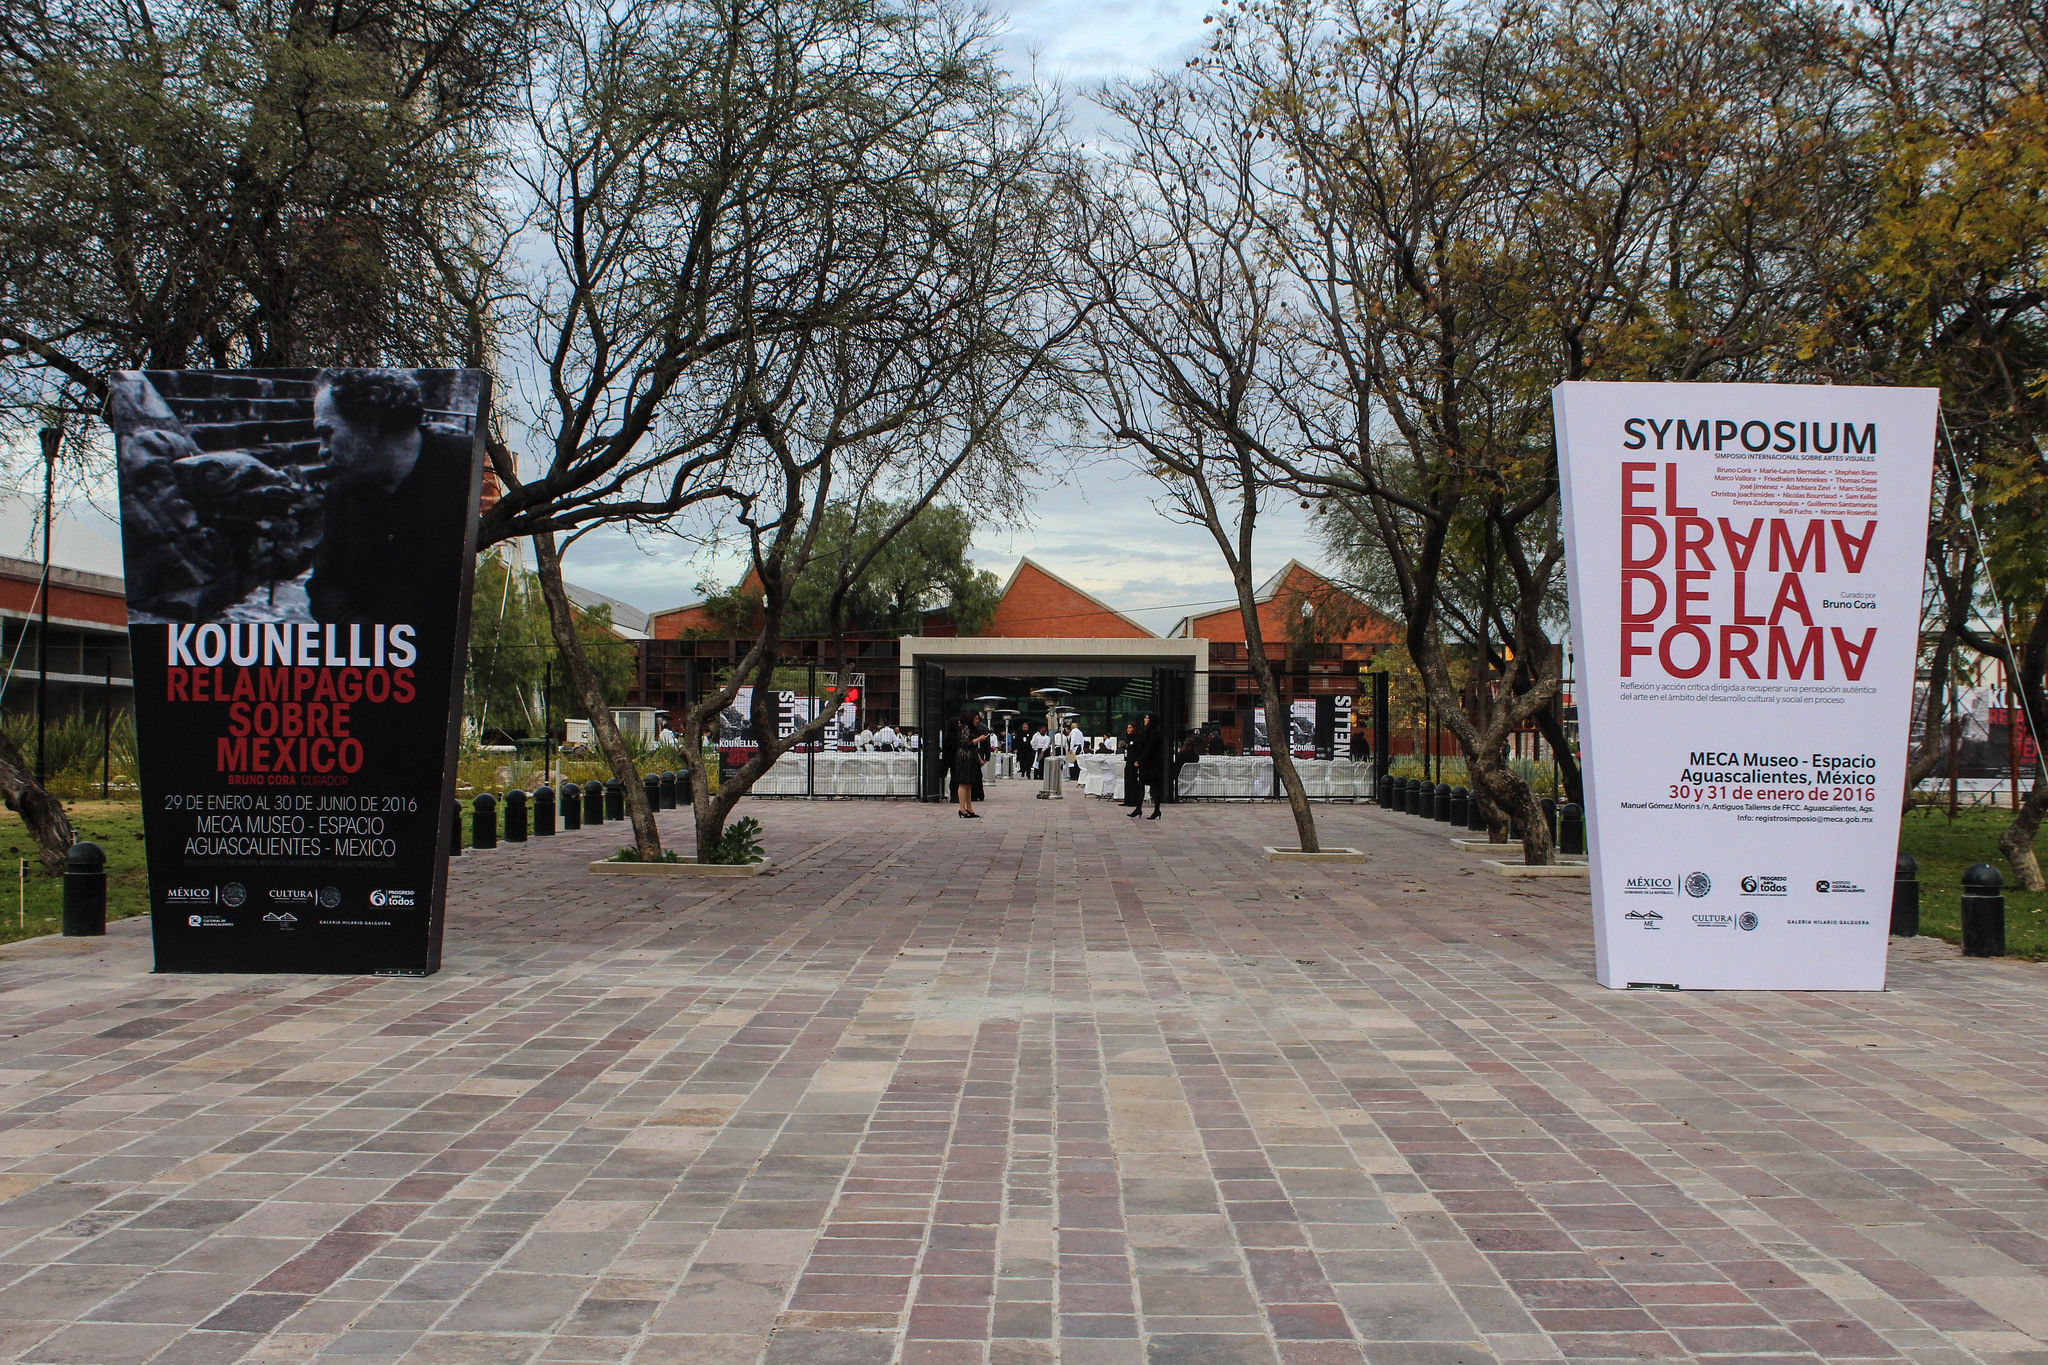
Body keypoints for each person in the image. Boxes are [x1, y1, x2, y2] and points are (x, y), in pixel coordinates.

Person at [306, 368, 474, 625]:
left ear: (370, 420)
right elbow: (324, 585)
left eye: (327, 433)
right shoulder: (342, 492)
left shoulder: (469, 469)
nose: (322, 451)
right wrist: (369, 636)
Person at [1131, 713, 1166, 819]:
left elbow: (1149, 748)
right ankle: (1139, 808)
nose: (1145, 719)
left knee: (1154, 787)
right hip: (1147, 763)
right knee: (1141, 784)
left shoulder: (1154, 733)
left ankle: (1156, 810)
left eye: (1147, 718)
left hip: (1153, 764)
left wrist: (1139, 759)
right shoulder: (1147, 732)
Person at [951, 713, 982, 818]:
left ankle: (969, 808)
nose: (977, 721)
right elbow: (965, 743)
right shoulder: (964, 728)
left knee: (968, 783)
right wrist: (979, 739)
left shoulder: (971, 728)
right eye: (976, 718)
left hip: (970, 757)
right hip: (964, 757)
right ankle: (962, 808)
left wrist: (979, 758)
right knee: (964, 782)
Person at [1122, 722, 1143, 814]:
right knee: (1127, 780)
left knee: (1133, 781)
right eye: (1127, 728)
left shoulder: (1137, 739)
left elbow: (1139, 751)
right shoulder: (1129, 739)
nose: (1128, 729)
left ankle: (1133, 800)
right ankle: (1127, 799)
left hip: (1134, 763)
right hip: (1128, 762)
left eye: (1130, 728)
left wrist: (1138, 761)